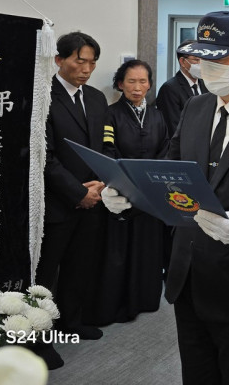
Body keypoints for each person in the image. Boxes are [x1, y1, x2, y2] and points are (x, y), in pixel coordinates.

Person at [102, 11, 229, 385]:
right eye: (202, 58)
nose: (208, 67)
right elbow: (168, 172)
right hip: (189, 276)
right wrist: (128, 194)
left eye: (219, 58)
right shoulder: (195, 108)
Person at [35, 31, 108, 369]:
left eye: (92, 63)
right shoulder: (44, 95)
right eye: (80, 61)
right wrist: (78, 193)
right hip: (57, 203)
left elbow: (104, 147)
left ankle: (72, 322)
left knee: (80, 266)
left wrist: (101, 185)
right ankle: (39, 340)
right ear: (59, 59)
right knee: (46, 274)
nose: (87, 69)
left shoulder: (96, 98)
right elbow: (45, 157)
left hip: (93, 198)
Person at [90, 59, 169, 325]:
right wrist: (124, 181)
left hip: (151, 192)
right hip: (121, 193)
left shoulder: (157, 115)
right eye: (131, 81)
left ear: (149, 84)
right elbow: (108, 150)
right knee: (120, 250)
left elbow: (166, 148)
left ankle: (145, 299)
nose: (137, 87)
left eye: (142, 81)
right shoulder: (111, 113)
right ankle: (120, 305)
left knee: (148, 249)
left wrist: (152, 179)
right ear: (120, 84)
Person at [155, 39, 205, 136]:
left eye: (203, 60)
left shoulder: (206, 85)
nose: (201, 64)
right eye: (196, 60)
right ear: (183, 61)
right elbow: (173, 127)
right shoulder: (169, 89)